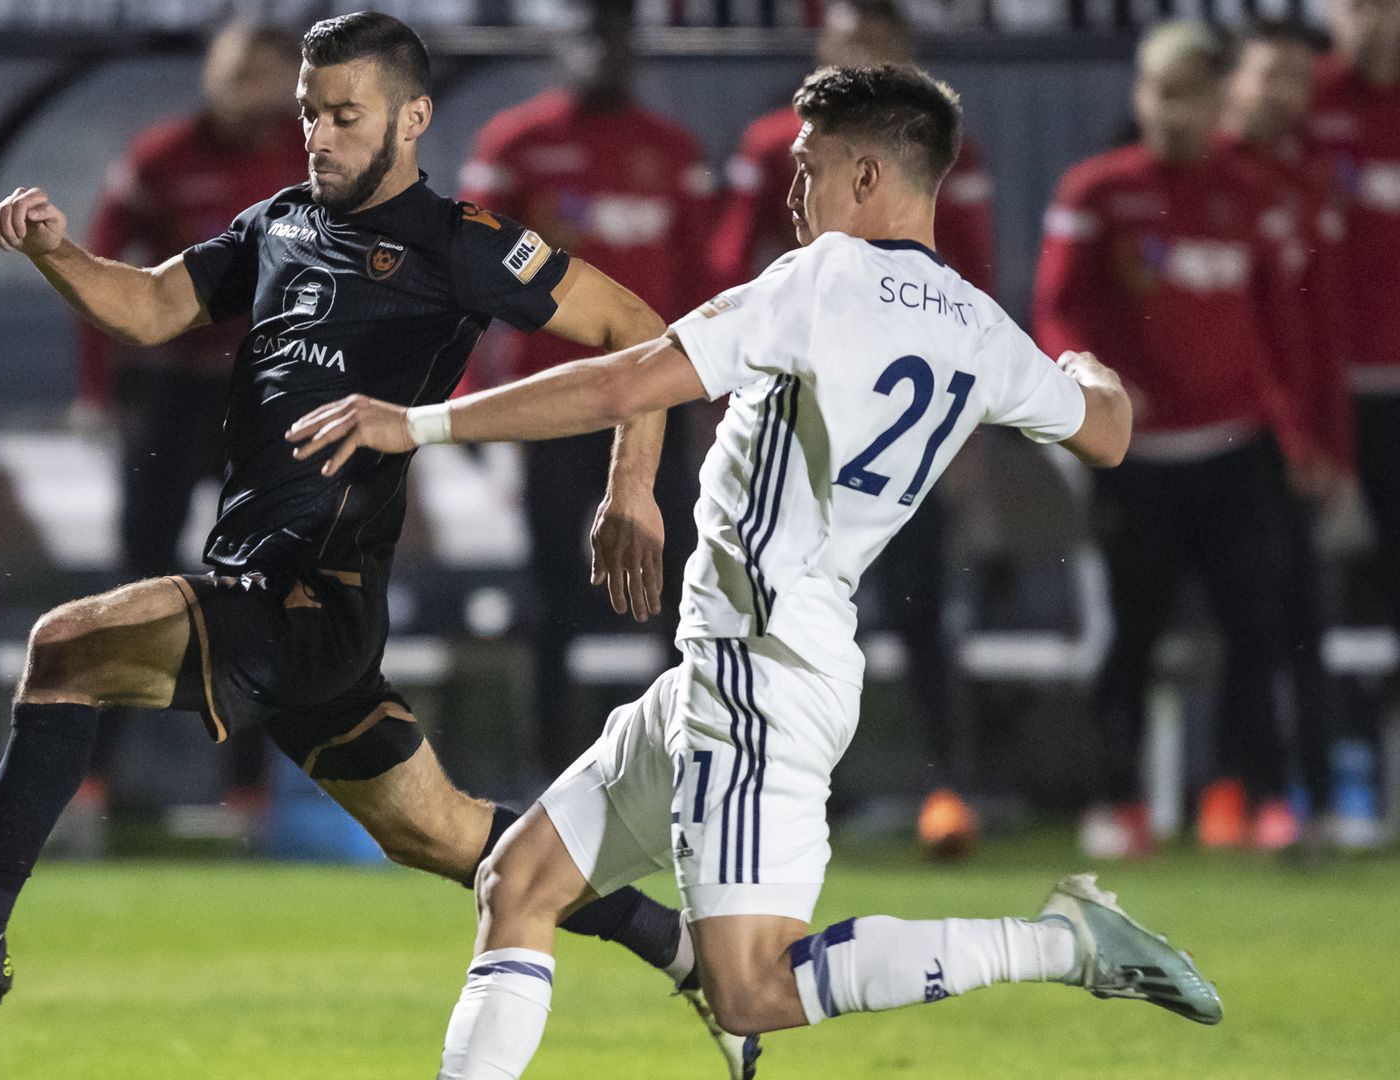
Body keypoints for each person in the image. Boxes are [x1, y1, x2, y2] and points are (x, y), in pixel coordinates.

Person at [0, 15, 745, 1076]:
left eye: (344, 115)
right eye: (310, 111)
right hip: (268, 590)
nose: (318, 134)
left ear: (412, 119)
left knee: (65, 647)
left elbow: (643, 331)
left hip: (311, 594)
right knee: (447, 837)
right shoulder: (277, 224)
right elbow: (152, 305)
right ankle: (687, 952)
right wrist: (56, 253)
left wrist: (630, 488)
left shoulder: (459, 241)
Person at [287, 64, 1215, 1080]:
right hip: (736, 667)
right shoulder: (981, 329)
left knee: (754, 987)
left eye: (808, 167)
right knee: (519, 882)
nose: (791, 192)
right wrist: (1084, 369)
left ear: (867, 174)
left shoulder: (821, 283)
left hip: (757, 681)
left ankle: (1064, 942)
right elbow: (1110, 433)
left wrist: (414, 423)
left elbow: (626, 382)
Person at [711, 0, 995, 852]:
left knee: (916, 609)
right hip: (798, 420)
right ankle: (786, 792)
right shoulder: (775, 146)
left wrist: (970, 433)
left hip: (899, 425)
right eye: (844, 47)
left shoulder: (949, 157)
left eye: (874, 49)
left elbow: (973, 288)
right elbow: (731, 267)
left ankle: (946, 788)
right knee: (777, 607)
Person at [1037, 23, 1318, 858]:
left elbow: (1277, 323)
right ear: (1140, 96)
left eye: (1195, 95)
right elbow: (1056, 310)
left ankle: (1247, 797)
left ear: (1219, 100)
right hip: (1136, 458)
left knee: (1256, 627)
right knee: (1133, 632)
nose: (1178, 112)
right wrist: (1098, 383)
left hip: (1237, 448)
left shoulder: (1253, 191)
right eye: (1165, 93)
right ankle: (1116, 800)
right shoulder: (1096, 191)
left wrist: (1296, 430)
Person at [456, 5, 712, 777]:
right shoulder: (517, 146)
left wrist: (719, 395)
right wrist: (467, 384)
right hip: (556, 398)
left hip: (659, 400)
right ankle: (551, 769)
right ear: (562, 48)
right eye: (590, 38)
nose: (604, 56)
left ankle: (671, 760)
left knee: (670, 588)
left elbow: (708, 281)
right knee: (554, 588)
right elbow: (465, 270)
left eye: (618, 41)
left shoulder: (675, 153)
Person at [72, 21, 304, 831]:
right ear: (210, 76)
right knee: (138, 574)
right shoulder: (159, 157)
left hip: (268, 390)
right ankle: (90, 779)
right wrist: (96, 387)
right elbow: (96, 270)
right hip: (169, 387)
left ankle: (247, 792)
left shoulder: (315, 160)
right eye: (238, 74)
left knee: (258, 580)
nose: (252, 92)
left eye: (267, 77)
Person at [1217, 21, 1363, 848]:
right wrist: (1293, 432)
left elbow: (1320, 332)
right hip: (1239, 436)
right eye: (1270, 74)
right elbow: (1243, 333)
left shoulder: (1308, 179)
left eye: (1299, 80)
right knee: (1256, 622)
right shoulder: (1209, 175)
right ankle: (1250, 794)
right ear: (1237, 79)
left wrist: (1328, 445)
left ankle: (1308, 796)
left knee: (1301, 617)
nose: (1286, 94)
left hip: (1296, 440)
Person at [1312, 0, 1400, 839]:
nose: (1370, 20)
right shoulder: (1304, 106)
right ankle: (1347, 779)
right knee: (1340, 588)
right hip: (1335, 398)